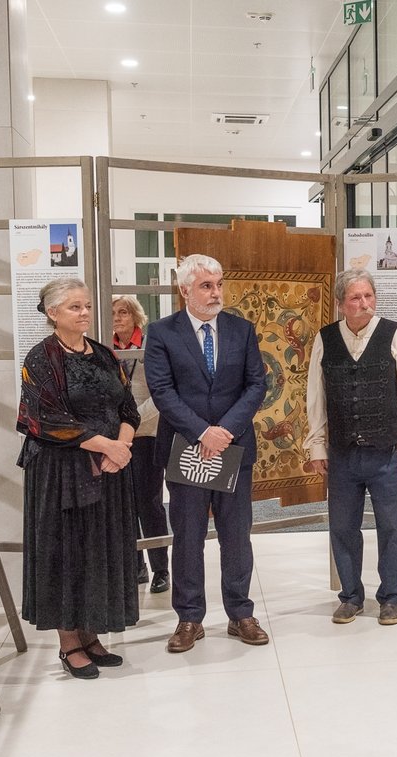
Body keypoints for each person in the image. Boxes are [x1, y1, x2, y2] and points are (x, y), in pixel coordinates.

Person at [144, 254, 270, 652]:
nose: (216, 293)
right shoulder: (161, 332)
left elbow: (256, 385)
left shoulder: (241, 330)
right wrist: (202, 432)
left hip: (233, 449)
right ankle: (189, 618)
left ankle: (240, 613)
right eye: (206, 286)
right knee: (188, 537)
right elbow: (162, 391)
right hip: (186, 449)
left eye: (218, 284)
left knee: (236, 536)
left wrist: (224, 431)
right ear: (185, 290)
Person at [16, 277, 141, 679]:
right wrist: (107, 447)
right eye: (75, 307)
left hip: (109, 468)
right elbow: (44, 420)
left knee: (98, 551)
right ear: (53, 313)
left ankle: (91, 634)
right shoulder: (40, 358)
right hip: (61, 473)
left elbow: (129, 408)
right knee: (66, 553)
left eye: (86, 305)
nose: (85, 312)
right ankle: (69, 643)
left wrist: (121, 446)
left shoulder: (104, 354)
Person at [304, 269, 397, 626]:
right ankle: (350, 597)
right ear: (340, 304)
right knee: (342, 527)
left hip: (386, 453)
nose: (364, 304)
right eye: (355, 298)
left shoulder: (395, 334)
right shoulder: (325, 339)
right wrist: (317, 446)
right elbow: (315, 397)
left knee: (392, 527)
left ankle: (390, 598)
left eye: (369, 296)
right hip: (343, 454)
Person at [112, 294, 170, 594]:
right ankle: (136, 566)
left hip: (146, 434)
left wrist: (132, 424)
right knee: (124, 504)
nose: (117, 318)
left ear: (135, 315)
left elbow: (160, 394)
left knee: (149, 504)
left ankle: (161, 568)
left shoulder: (150, 346)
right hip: (116, 440)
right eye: (112, 313)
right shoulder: (106, 348)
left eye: (123, 312)